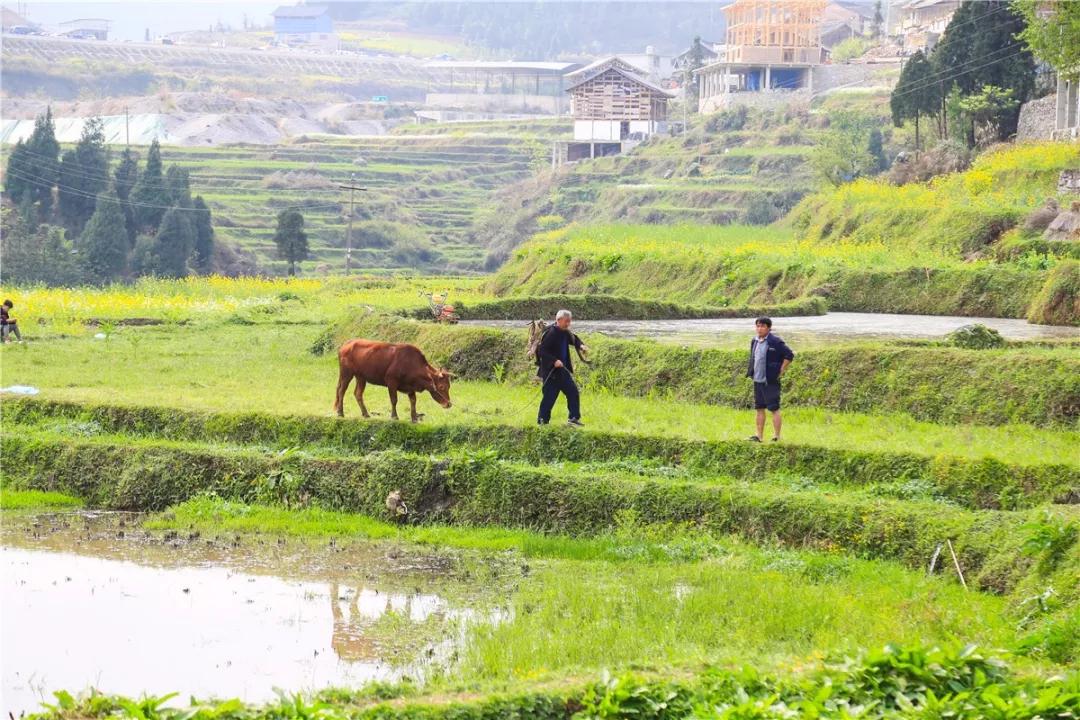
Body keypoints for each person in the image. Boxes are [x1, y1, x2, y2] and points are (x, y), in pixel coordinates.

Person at [746, 316, 794, 442]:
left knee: (774, 408)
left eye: (762, 326)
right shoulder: (754, 341)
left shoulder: (775, 342)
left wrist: (781, 370)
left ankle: (776, 436)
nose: (759, 329)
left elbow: (789, 355)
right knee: (759, 408)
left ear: (769, 328)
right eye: (758, 326)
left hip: (770, 381)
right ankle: (758, 436)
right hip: (757, 380)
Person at [537, 309, 585, 427]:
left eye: (569, 321)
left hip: (563, 372)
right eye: (566, 321)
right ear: (558, 320)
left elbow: (574, 339)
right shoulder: (551, 333)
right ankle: (542, 422)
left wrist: (581, 345)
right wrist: (554, 361)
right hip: (551, 373)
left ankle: (573, 418)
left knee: (573, 392)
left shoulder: (565, 332)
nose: (568, 324)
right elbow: (542, 351)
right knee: (549, 398)